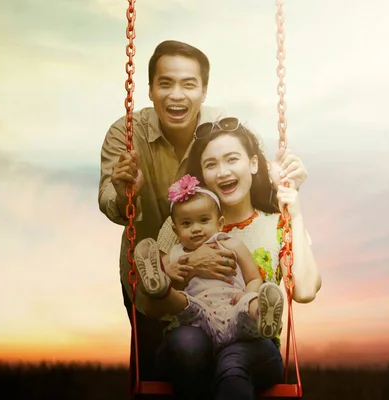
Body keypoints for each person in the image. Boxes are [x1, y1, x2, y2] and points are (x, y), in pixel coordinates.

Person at [98, 39, 313, 398]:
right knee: (175, 353)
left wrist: (284, 186)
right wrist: (126, 191)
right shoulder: (127, 134)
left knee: (234, 353)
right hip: (159, 267)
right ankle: (161, 282)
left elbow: (253, 176)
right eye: (165, 83)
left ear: (204, 89)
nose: (176, 95)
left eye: (188, 84)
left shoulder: (221, 129)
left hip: (235, 305)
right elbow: (110, 202)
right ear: (150, 89)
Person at [151, 117, 321, 399]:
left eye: (232, 159)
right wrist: (187, 265)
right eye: (211, 164)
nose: (222, 172)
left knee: (234, 361)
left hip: (251, 345)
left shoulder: (276, 225)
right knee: (190, 346)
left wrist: (295, 213)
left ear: (253, 164)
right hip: (191, 336)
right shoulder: (178, 227)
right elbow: (149, 303)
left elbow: (304, 290)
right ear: (202, 175)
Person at [134, 173, 285, 349]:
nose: (196, 229)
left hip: (233, 306)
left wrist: (246, 293)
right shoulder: (176, 254)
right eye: (186, 224)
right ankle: (163, 289)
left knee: (247, 306)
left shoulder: (231, 245)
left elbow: (253, 278)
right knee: (183, 303)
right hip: (200, 313)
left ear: (220, 223)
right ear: (175, 231)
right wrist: (166, 273)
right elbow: (147, 294)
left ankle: (261, 314)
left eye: (204, 220)